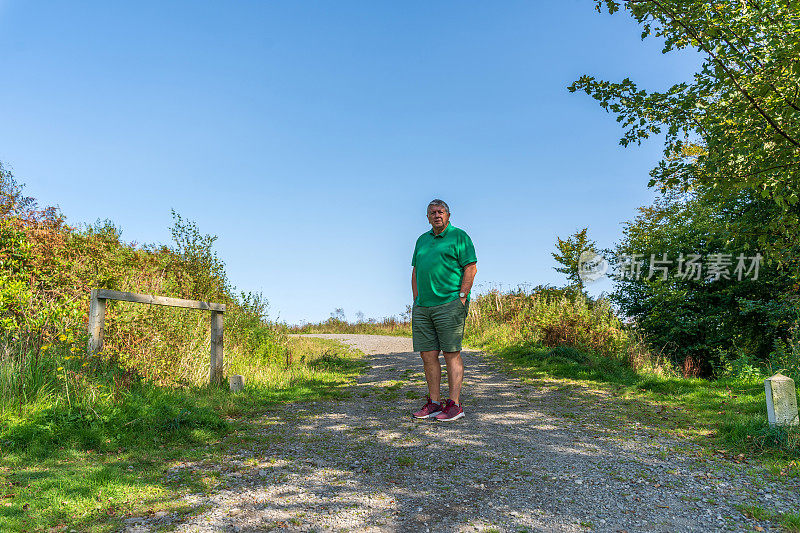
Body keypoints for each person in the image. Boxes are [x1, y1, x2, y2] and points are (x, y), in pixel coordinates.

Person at [410, 199, 477, 421]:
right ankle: (434, 403)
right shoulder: (421, 240)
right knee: (428, 355)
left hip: (449, 303)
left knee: (451, 353)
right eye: (432, 212)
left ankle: (454, 405)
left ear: (448, 215)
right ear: (427, 217)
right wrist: (416, 299)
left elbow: (471, 268)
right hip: (423, 307)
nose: (437, 215)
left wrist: (462, 296)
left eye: (440, 212)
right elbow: (416, 271)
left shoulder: (459, 237)